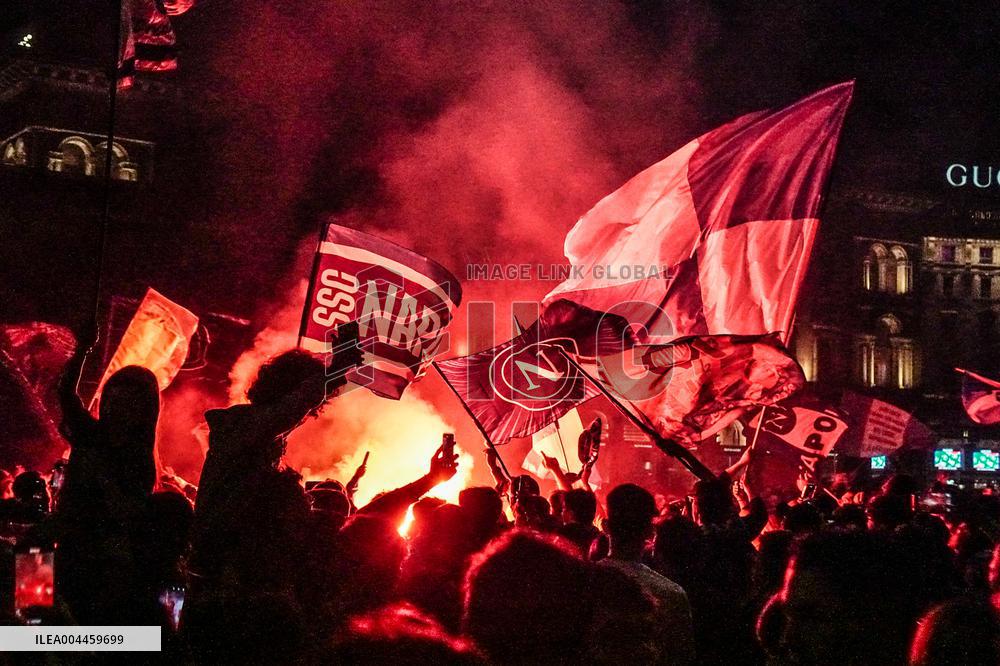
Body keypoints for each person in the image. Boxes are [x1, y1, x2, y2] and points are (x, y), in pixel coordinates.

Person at [190, 344, 360, 597]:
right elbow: (288, 411)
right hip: (220, 566)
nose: (308, 414)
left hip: (225, 561)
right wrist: (332, 374)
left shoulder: (255, 431)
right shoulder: (243, 426)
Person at [55, 332, 163, 624]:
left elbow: (128, 513)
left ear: (142, 412)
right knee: (36, 624)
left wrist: (101, 477)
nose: (115, 409)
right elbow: (65, 392)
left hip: (105, 563)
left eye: (126, 404)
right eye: (112, 400)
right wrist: (83, 348)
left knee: (90, 630)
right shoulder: (90, 434)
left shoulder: (138, 460)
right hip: (68, 547)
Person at [600, 484, 695, 666]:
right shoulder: (670, 594)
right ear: (650, 531)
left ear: (605, 526)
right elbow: (682, 657)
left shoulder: (581, 584)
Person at [557, 488, 600, 555]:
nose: (562, 512)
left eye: (564, 508)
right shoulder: (598, 535)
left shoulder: (562, 535)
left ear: (571, 513)